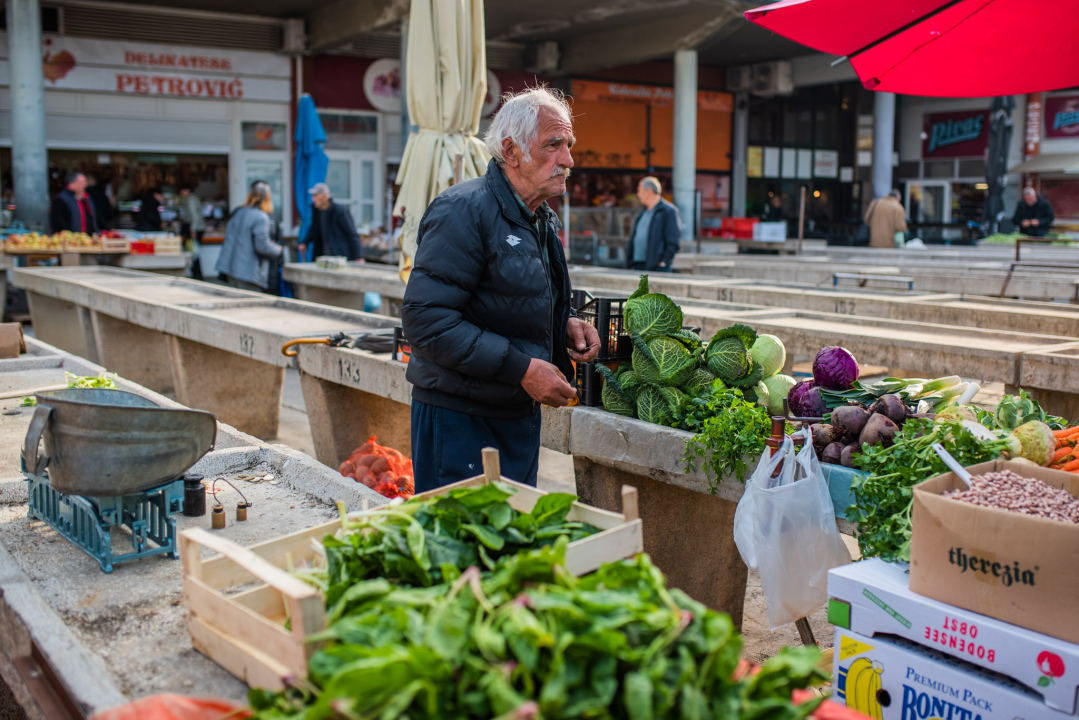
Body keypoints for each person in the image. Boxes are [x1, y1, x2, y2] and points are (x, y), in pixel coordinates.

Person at [401, 87, 601, 492]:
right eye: (553, 145)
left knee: (509, 547)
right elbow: (426, 322)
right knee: (465, 551)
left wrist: (564, 324)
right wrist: (522, 368)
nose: (568, 160)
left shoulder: (538, 218)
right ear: (511, 151)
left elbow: (508, 300)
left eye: (569, 145)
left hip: (516, 417)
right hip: (462, 423)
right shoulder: (463, 210)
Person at [216, 182, 283, 292]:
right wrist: (278, 249)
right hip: (248, 271)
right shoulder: (261, 217)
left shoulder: (239, 212)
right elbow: (262, 246)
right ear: (267, 197)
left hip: (231, 268)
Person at [625, 176, 681, 272]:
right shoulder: (643, 212)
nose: (638, 195)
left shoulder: (668, 211)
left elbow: (673, 240)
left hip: (657, 267)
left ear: (649, 191)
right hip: (638, 264)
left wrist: (664, 261)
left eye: (640, 191)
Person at [299, 182, 362, 261]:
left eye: (315, 195)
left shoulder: (339, 212)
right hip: (321, 256)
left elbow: (352, 234)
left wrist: (359, 256)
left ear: (325, 197)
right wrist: (305, 242)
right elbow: (313, 229)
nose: (313, 199)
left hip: (339, 256)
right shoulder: (316, 212)